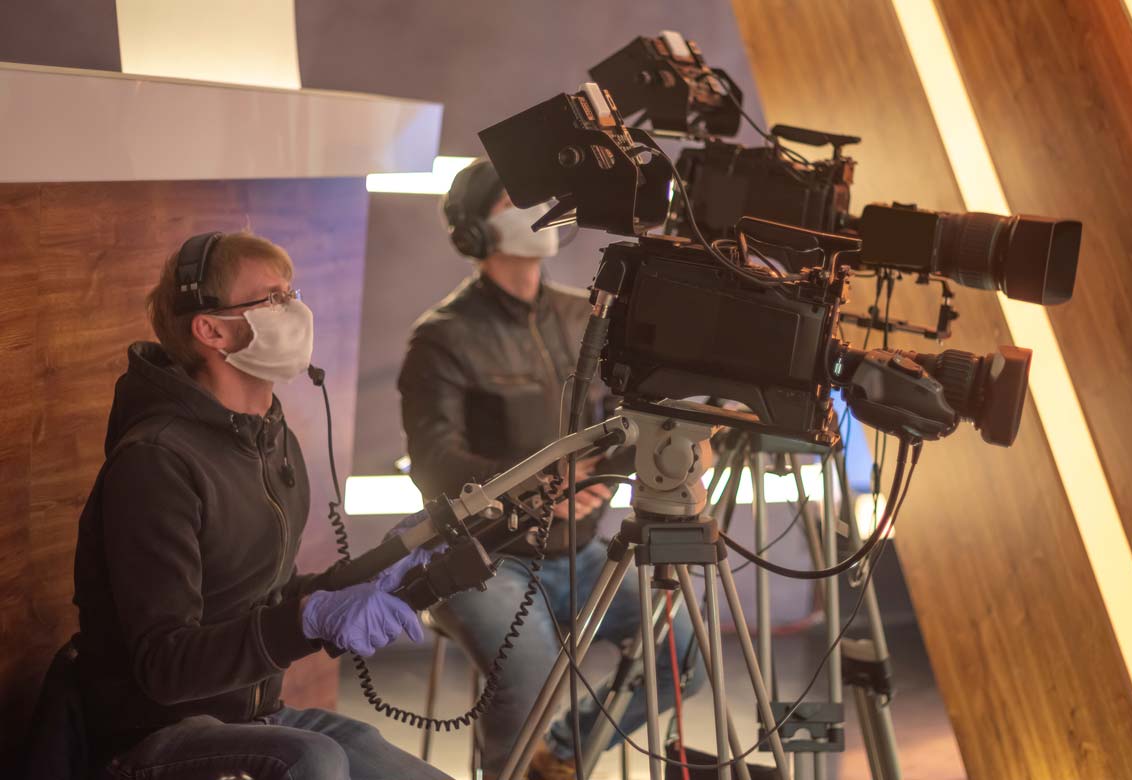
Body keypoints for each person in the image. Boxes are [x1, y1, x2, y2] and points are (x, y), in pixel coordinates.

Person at [72, 232, 448, 780]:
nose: (294, 310)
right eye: (271, 298)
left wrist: (379, 567)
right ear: (212, 329)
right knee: (314, 762)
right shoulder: (156, 461)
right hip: (153, 737)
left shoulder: (269, 436)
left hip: (258, 719)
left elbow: (265, 596)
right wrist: (309, 619)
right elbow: (164, 667)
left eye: (291, 293)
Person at [398, 159, 704, 780]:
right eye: (511, 202)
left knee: (685, 650)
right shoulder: (442, 338)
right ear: (473, 230)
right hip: (485, 559)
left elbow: (628, 422)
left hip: (585, 554)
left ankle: (556, 755)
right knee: (530, 669)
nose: (534, 214)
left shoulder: (583, 317)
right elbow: (435, 465)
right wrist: (540, 492)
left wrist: (675, 443)